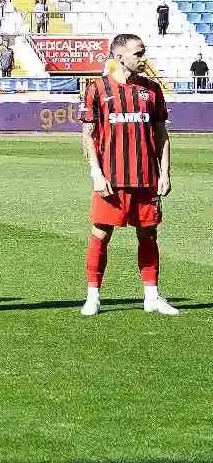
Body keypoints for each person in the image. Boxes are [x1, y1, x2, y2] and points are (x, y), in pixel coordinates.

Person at [80, 34, 177, 316]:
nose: (142, 57)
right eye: (138, 53)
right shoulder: (97, 89)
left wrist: (165, 173)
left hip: (146, 177)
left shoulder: (152, 90)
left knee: (148, 234)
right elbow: (88, 135)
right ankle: (93, 296)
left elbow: (161, 135)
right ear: (119, 56)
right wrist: (96, 173)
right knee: (100, 234)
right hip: (111, 178)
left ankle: (152, 296)